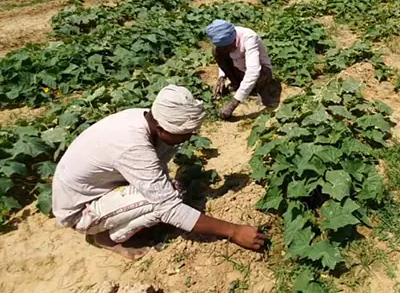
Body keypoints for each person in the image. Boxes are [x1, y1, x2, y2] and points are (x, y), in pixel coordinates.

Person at [52, 85, 266, 260]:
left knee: (172, 191)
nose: (189, 138)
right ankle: (107, 237)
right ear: (162, 129)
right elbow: (169, 208)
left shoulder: (150, 120)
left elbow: (158, 172)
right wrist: (234, 231)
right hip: (80, 210)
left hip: (104, 187)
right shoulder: (131, 145)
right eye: (185, 134)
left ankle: (125, 219)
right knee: (162, 203)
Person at [205, 19, 282, 119]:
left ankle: (261, 89)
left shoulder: (249, 38)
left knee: (259, 76)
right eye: (224, 48)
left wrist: (233, 103)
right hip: (240, 70)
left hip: (262, 73)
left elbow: (253, 71)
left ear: (233, 39)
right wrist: (222, 76)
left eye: (227, 47)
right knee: (216, 51)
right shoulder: (224, 41)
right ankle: (238, 86)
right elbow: (223, 58)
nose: (226, 50)